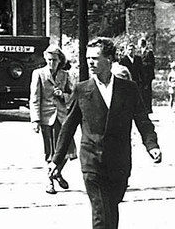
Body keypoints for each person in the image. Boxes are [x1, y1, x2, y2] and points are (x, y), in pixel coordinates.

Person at [48, 38, 161, 229]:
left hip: (119, 162)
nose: (90, 62)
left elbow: (142, 120)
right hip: (93, 162)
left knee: (111, 208)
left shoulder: (128, 89)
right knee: (101, 213)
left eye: (95, 58)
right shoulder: (82, 90)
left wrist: (152, 145)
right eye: (88, 58)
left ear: (109, 59)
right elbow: (68, 127)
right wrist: (56, 160)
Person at [29, 44, 75, 194]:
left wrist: (63, 95)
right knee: (50, 152)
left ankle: (57, 172)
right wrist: (35, 120)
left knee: (67, 150)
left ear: (60, 60)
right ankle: (49, 181)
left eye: (54, 60)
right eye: (49, 60)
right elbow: (34, 98)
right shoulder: (38, 74)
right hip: (47, 118)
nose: (51, 63)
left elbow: (73, 95)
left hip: (62, 117)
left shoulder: (64, 75)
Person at [138, 38, 155, 113]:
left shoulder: (149, 52)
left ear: (142, 44)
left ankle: (149, 108)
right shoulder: (140, 52)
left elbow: (152, 64)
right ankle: (144, 108)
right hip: (142, 75)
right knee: (143, 91)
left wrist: (142, 64)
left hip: (148, 75)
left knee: (147, 91)